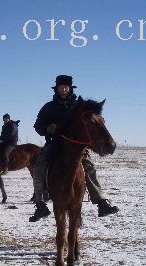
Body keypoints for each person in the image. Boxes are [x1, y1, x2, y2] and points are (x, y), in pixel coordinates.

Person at [29, 75, 119, 222]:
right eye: (61, 87)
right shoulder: (48, 107)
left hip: (77, 145)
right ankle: (40, 204)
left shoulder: (79, 106)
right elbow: (37, 126)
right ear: (56, 88)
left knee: (89, 167)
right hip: (55, 142)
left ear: (70, 88)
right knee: (40, 165)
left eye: (66, 87)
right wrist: (47, 128)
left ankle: (101, 202)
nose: (63, 89)